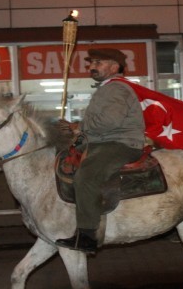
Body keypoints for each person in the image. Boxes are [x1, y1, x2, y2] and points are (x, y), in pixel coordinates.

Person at [55, 48, 145, 254]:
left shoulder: (116, 89)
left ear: (115, 67)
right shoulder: (107, 88)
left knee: (86, 175)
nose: (92, 66)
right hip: (104, 141)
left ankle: (87, 235)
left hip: (120, 144)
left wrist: (78, 127)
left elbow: (109, 122)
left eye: (99, 62)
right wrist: (76, 128)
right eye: (91, 62)